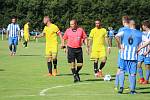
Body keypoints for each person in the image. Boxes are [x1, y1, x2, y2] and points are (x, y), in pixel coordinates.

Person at [115, 19, 142, 94]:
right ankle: (132, 90)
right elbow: (148, 41)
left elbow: (116, 36)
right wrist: (140, 47)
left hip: (123, 55)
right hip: (133, 56)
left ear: (129, 24)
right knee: (132, 74)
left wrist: (120, 44)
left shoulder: (125, 31)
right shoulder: (139, 33)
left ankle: (121, 88)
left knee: (122, 71)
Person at [114, 16, 130, 90]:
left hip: (123, 52)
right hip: (130, 52)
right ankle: (131, 86)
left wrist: (119, 46)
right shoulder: (132, 29)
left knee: (120, 68)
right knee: (130, 69)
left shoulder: (121, 29)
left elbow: (117, 37)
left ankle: (116, 85)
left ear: (123, 21)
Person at [137, 20, 150, 84]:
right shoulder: (141, 33)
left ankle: (147, 80)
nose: (142, 27)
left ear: (145, 26)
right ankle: (141, 78)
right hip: (141, 52)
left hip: (148, 53)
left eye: (143, 25)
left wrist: (147, 51)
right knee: (138, 64)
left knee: (147, 66)